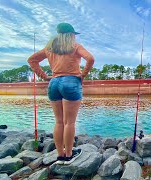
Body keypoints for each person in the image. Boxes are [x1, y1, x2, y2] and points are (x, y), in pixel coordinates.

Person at [27, 22, 95, 164]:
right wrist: (83, 75)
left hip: (54, 83)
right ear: (71, 35)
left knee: (59, 121)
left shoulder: (49, 48)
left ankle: (60, 155)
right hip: (71, 82)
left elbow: (32, 60)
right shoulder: (75, 47)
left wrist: (44, 76)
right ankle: (69, 155)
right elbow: (90, 58)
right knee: (69, 122)